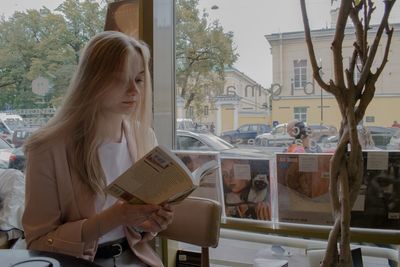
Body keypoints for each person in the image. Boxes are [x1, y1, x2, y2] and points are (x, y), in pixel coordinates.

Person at [22, 31, 174, 267]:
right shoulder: (46, 148)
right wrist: (113, 217)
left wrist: (148, 224)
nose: (134, 91)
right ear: (91, 80)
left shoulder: (144, 136)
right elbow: (38, 242)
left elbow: (139, 228)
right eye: (120, 79)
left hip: (136, 257)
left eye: (139, 79)